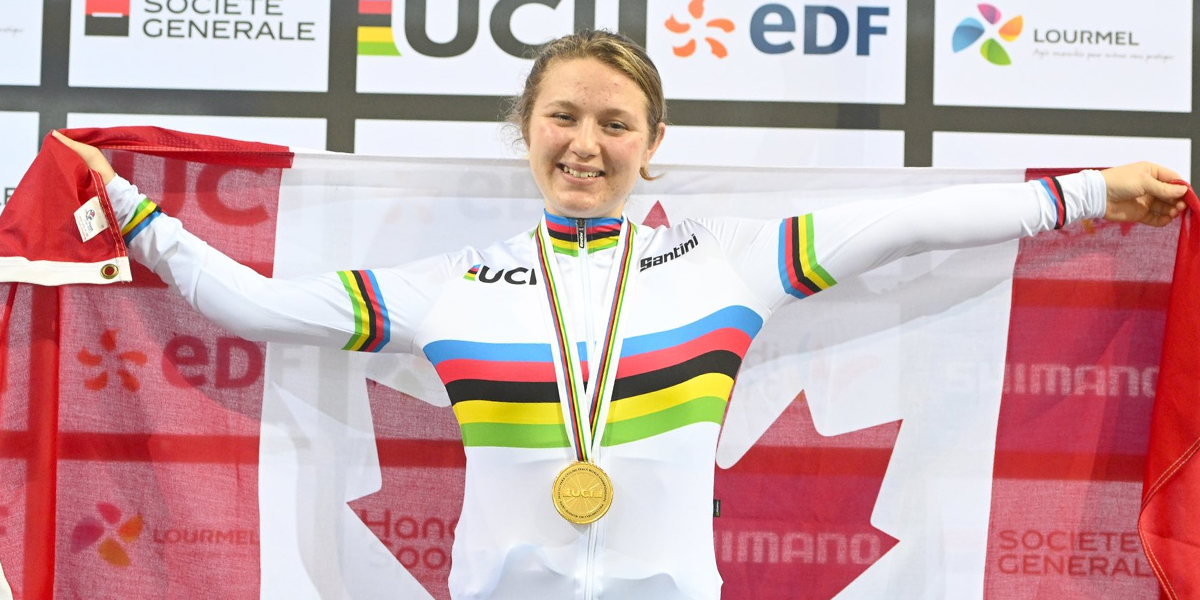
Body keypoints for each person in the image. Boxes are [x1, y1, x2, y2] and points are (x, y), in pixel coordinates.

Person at [54, 29, 1187, 600]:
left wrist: (1087, 196)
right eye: (562, 117)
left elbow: (912, 227)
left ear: (651, 143)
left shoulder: (733, 266)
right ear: (526, 127)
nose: (585, 144)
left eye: (615, 123)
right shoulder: (453, 284)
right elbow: (249, 302)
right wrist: (122, 205)